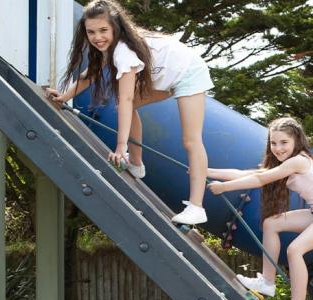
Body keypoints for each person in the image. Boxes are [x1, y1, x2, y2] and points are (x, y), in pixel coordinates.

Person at [45, 0, 213, 225]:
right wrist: (64, 97)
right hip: (168, 75)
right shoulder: (110, 47)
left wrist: (120, 148)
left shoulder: (124, 51)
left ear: (115, 26)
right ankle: (137, 164)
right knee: (128, 105)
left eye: (103, 30)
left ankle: (196, 207)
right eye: (91, 32)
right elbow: (91, 73)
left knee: (191, 140)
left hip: (188, 73)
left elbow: (125, 98)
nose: (97, 37)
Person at [206, 117, 313, 300]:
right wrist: (207, 172)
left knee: (295, 250)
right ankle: (267, 281)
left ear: (296, 141)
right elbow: (249, 174)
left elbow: (259, 181)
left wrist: (225, 188)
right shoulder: (284, 164)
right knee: (271, 224)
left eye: (284, 142)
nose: (278, 148)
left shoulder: (298, 161)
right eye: (273, 143)